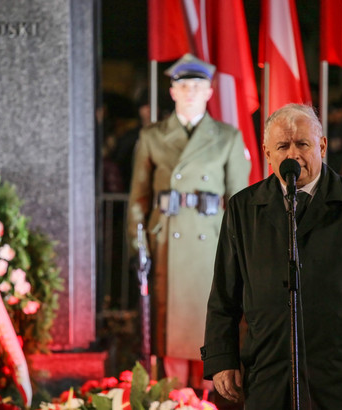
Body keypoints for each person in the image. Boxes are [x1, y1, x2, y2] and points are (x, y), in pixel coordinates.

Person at [202, 103, 342, 408]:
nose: (292, 155)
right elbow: (223, 294)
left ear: (322, 146)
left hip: (338, 372)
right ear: (267, 153)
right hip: (268, 370)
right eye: (282, 146)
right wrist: (221, 358)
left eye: (303, 144)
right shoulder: (243, 208)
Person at [127, 53, 251, 388]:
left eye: (198, 86)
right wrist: (139, 246)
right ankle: (175, 396)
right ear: (172, 91)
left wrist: (239, 252)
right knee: (171, 330)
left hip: (209, 243)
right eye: (184, 86)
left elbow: (241, 204)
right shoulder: (152, 136)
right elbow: (138, 198)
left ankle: (206, 398)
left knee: (209, 323)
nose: (191, 92)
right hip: (167, 240)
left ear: (210, 92)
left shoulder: (227, 137)